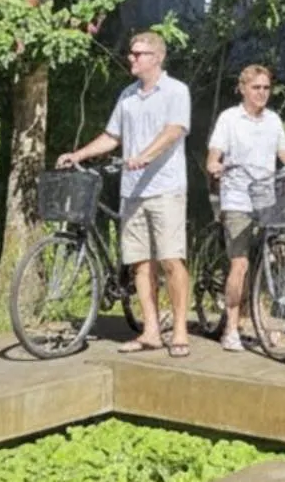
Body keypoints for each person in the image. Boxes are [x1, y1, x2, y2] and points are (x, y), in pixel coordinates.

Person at [56, 30, 193, 358]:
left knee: (171, 260)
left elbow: (174, 130)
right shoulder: (128, 96)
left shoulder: (176, 91)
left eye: (139, 54)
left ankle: (180, 331)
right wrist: (79, 154)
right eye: (131, 53)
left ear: (157, 57)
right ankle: (150, 331)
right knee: (139, 264)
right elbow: (111, 136)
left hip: (166, 189)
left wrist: (145, 154)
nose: (132, 58)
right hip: (132, 192)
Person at [205, 65, 285, 353]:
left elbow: (284, 152)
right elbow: (214, 154)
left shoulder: (273, 121)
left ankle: (261, 321)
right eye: (256, 88)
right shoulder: (229, 119)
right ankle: (231, 327)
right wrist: (215, 165)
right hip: (237, 196)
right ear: (243, 89)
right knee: (240, 263)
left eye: (266, 88)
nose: (262, 93)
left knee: (270, 257)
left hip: (265, 195)